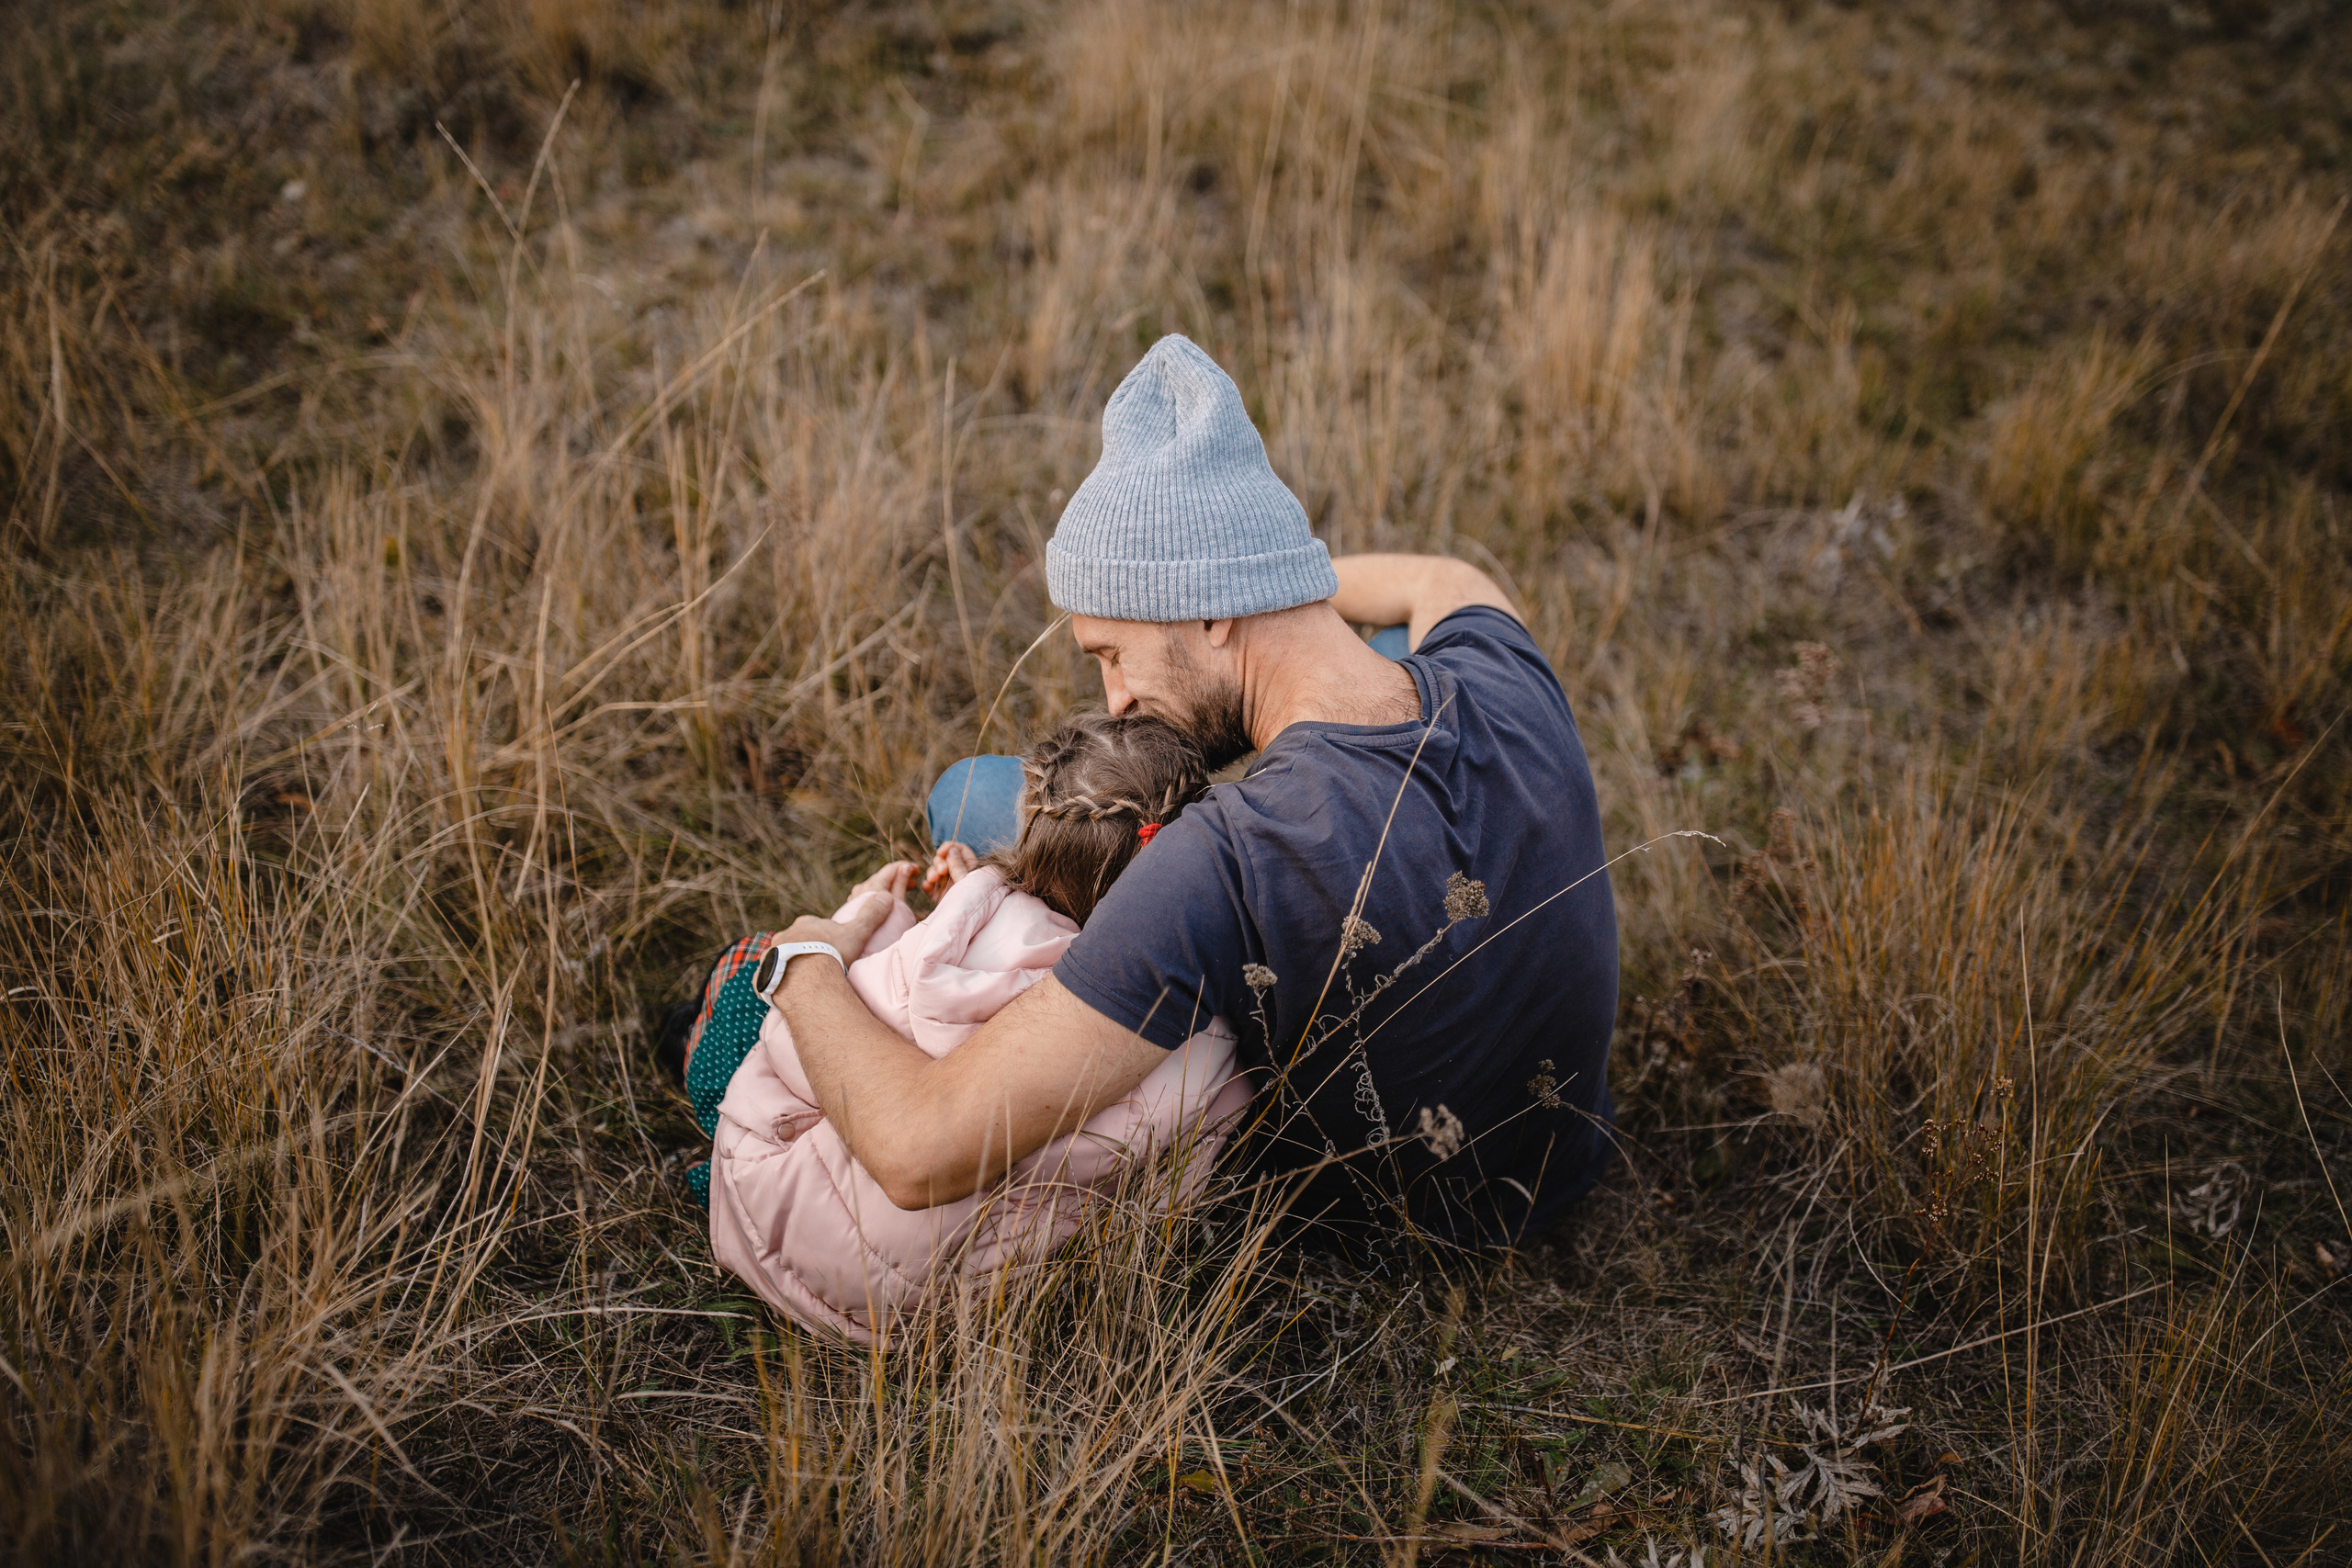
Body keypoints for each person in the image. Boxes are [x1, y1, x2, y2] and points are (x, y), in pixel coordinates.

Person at [759, 333, 1619, 1254]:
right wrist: (1288, 593)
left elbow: (919, 1150)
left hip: (1425, 1236)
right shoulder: (1498, 665)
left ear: (1213, 610)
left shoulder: (1225, 857)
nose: (1114, 699)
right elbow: (1439, 579)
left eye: (1112, 654)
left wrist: (803, 963)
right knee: (1385, 658)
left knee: (975, 795)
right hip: (1561, 1158)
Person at [671, 712, 1251, 1342]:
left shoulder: (977, 931)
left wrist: (881, 913)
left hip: (790, 1216)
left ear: (1033, 842)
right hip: (939, 1301)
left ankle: (694, 1056)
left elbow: (829, 1023)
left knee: (751, 980)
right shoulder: (1207, 1030)